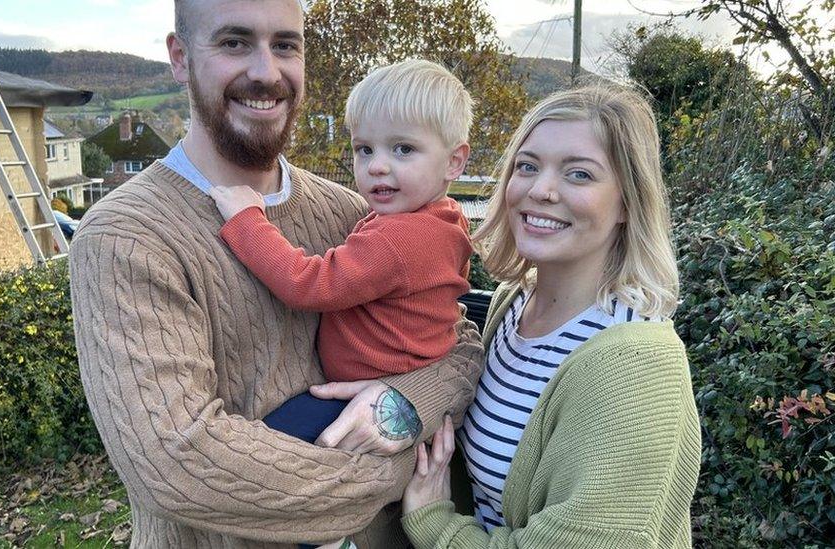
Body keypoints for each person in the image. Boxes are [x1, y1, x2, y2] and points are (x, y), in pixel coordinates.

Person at [67, 0, 484, 547]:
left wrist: (403, 408)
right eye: (234, 42)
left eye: (285, 45)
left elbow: (459, 342)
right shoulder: (127, 236)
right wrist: (402, 470)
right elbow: (179, 464)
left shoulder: (355, 211)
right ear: (180, 57)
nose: (266, 72)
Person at [400, 84, 702, 548]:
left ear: (627, 202)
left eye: (579, 174)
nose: (540, 190)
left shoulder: (636, 369)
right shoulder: (513, 304)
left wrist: (434, 523)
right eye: (528, 166)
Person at [209, 59, 474, 549]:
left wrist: (248, 220)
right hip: (395, 383)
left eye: (403, 149)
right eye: (363, 148)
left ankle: (328, 540)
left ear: (454, 162)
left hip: (361, 394)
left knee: (274, 451)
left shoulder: (401, 237)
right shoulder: (443, 220)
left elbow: (310, 284)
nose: (377, 165)